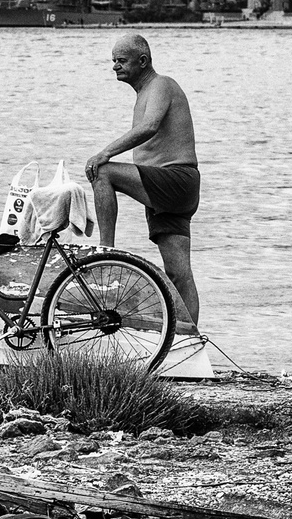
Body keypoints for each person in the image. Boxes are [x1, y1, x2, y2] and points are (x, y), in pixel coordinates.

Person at [83, 33, 202, 334]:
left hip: (175, 179)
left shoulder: (162, 84)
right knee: (178, 273)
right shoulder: (142, 93)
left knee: (103, 172)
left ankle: (105, 251)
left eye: (121, 61)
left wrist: (105, 152)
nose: (115, 67)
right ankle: (188, 341)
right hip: (166, 189)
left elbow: (149, 127)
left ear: (143, 61)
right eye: (113, 61)